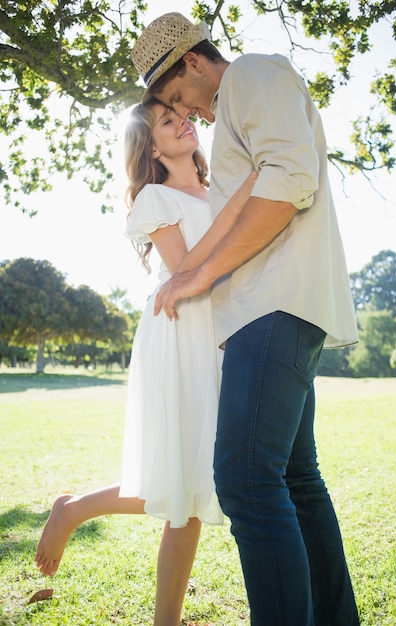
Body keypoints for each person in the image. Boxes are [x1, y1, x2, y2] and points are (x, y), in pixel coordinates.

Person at [130, 12, 361, 626]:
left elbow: (289, 181)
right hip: (274, 310)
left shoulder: (253, 75)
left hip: (274, 304)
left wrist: (202, 276)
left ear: (195, 62)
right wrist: (190, 273)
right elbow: (243, 205)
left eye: (180, 97)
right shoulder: (233, 112)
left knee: (245, 481)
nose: (190, 115)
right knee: (295, 479)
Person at [35, 98, 256, 626]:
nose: (184, 121)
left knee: (197, 490)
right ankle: (73, 510)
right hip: (180, 332)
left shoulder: (219, 187)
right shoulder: (156, 197)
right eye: (167, 120)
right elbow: (184, 270)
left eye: (183, 114)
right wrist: (245, 197)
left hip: (221, 334)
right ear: (153, 147)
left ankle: (165, 620)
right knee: (180, 479)